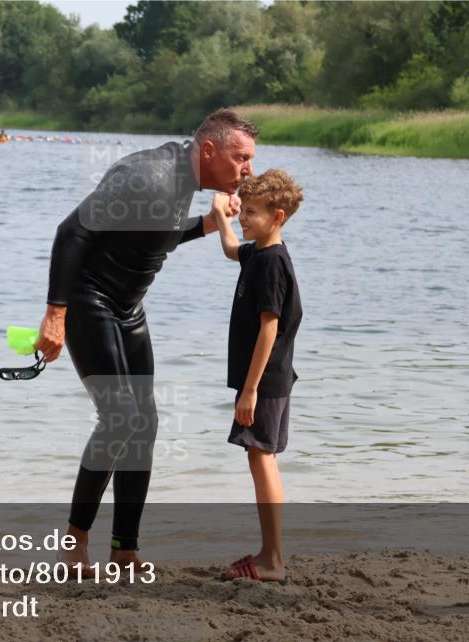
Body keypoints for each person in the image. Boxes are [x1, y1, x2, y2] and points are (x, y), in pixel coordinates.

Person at [36, 109, 259, 575]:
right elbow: (70, 233)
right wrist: (56, 314)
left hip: (128, 308)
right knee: (119, 419)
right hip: (88, 299)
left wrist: (207, 225)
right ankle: (74, 545)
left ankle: (124, 548)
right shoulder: (148, 176)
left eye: (251, 160)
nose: (248, 170)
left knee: (145, 424)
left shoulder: (185, 183)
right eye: (241, 158)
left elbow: (154, 235)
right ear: (210, 151)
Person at [211, 170, 303, 583]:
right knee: (261, 456)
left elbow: (269, 328)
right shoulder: (259, 253)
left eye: (251, 213)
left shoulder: (271, 264)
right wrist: (221, 216)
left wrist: (249, 390)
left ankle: (272, 559)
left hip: (264, 382)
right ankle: (271, 555)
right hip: (269, 380)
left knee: (262, 457)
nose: (244, 219)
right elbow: (232, 249)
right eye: (243, 211)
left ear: (277, 215)